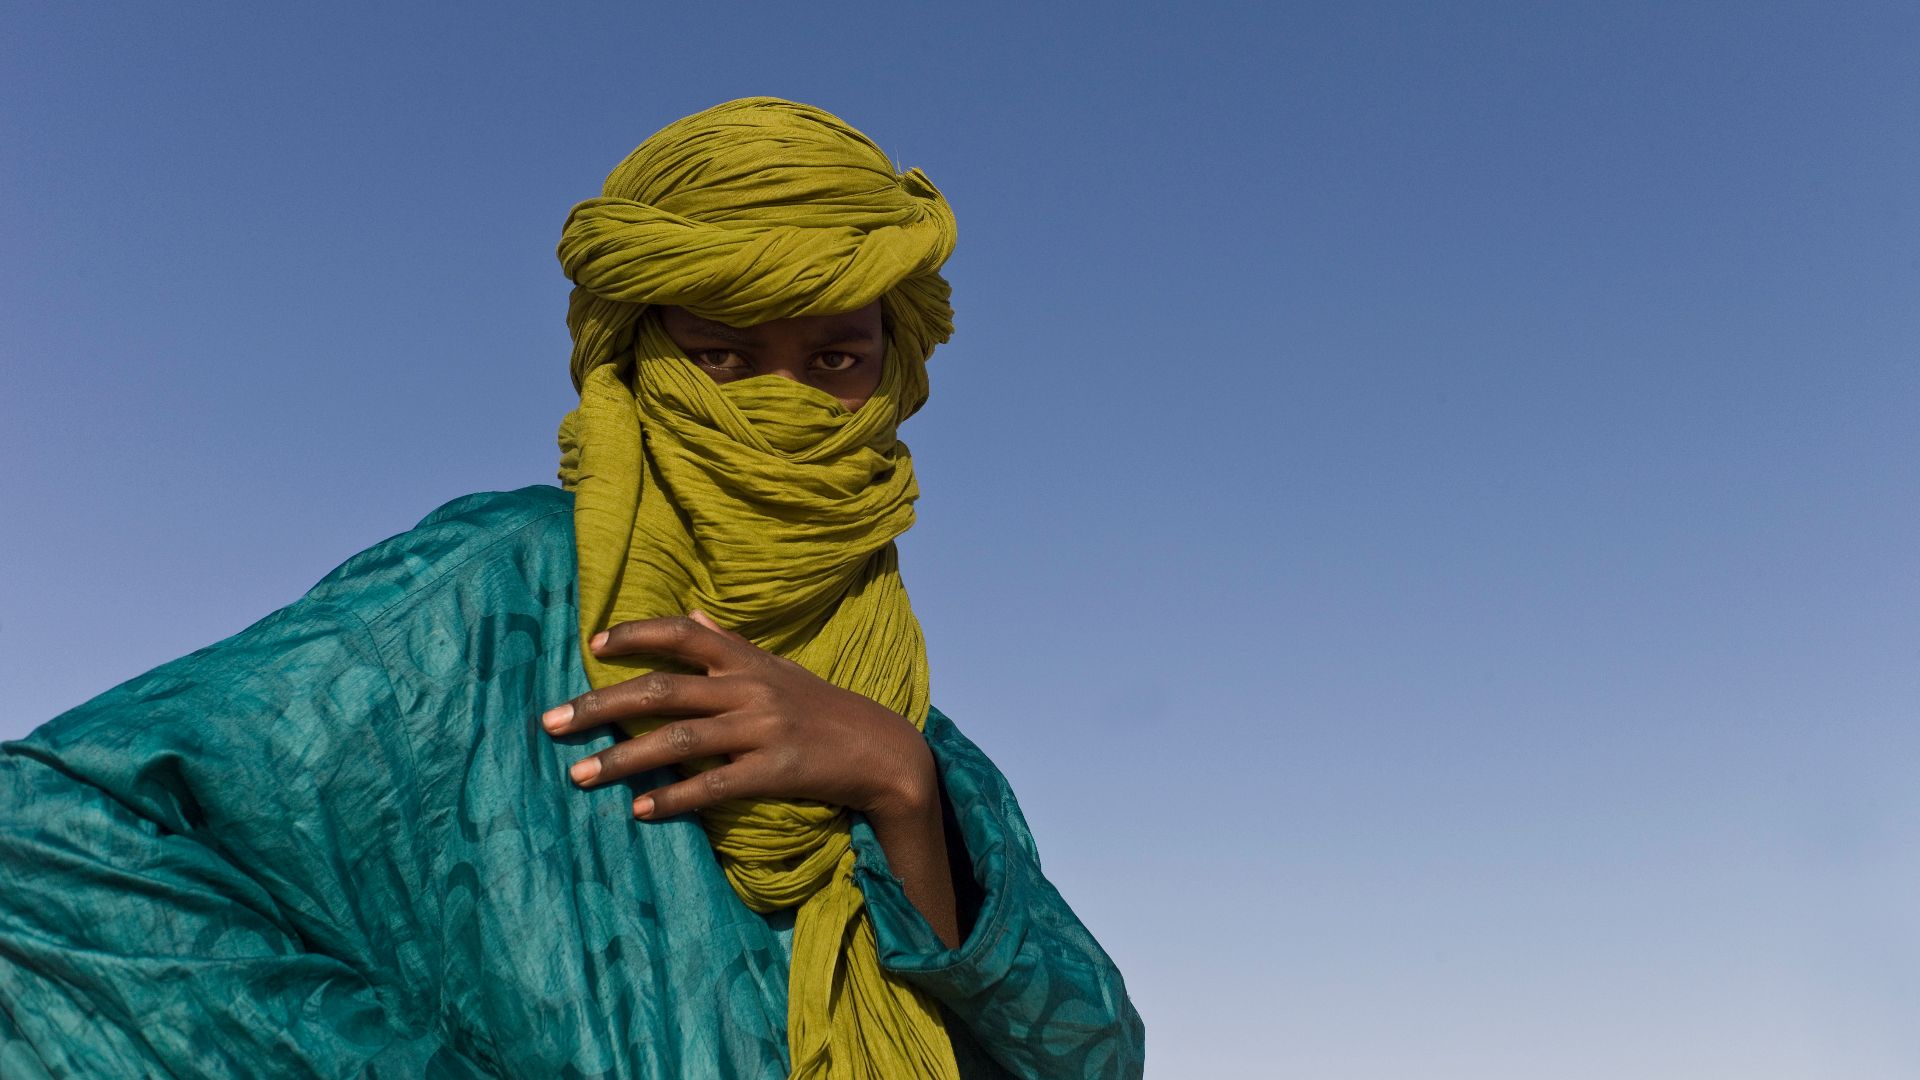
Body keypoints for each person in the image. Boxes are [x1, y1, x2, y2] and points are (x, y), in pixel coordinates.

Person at [0, 98, 1145, 1078]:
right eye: (724, 356)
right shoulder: (494, 595)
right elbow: (41, 848)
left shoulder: (900, 713)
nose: (780, 403)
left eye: (835, 358)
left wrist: (899, 789)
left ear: (891, 378)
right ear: (635, 359)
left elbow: (1088, 1053)